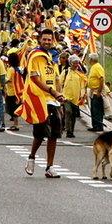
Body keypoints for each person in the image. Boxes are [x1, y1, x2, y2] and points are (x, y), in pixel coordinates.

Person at [19, 29, 65, 178]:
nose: (47, 42)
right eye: (44, 39)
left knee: (54, 135)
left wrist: (59, 97)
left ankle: (49, 167)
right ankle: (32, 157)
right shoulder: (35, 56)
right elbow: (34, 79)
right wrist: (53, 92)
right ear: (40, 40)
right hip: (40, 99)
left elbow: (56, 79)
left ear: (53, 40)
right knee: (40, 134)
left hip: (53, 101)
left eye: (49, 40)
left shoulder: (52, 57)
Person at [60, 54, 87, 138]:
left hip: (76, 99)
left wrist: (82, 96)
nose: (76, 65)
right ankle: (68, 131)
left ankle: (71, 130)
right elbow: (60, 83)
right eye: (74, 63)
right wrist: (60, 95)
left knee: (73, 115)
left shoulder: (79, 74)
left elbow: (82, 86)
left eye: (77, 63)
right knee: (68, 112)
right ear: (71, 63)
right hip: (66, 97)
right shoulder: (65, 72)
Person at [86, 52, 106, 132]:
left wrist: (99, 91)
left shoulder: (97, 67)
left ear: (91, 59)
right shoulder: (94, 67)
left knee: (97, 110)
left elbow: (101, 79)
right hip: (93, 91)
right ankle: (95, 125)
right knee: (94, 110)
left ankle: (98, 125)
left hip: (96, 91)